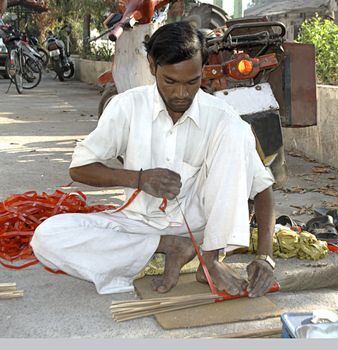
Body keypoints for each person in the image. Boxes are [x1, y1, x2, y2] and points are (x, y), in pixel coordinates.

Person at [31, 21, 276, 298]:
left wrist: (265, 258)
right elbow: (79, 168)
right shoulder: (127, 106)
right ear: (152, 66)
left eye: (192, 82)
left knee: (236, 130)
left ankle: (209, 260)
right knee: (46, 237)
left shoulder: (222, 116)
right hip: (139, 226)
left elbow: (262, 187)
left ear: (202, 72)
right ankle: (169, 246)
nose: (181, 94)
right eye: (170, 81)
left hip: (203, 233)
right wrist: (138, 179)